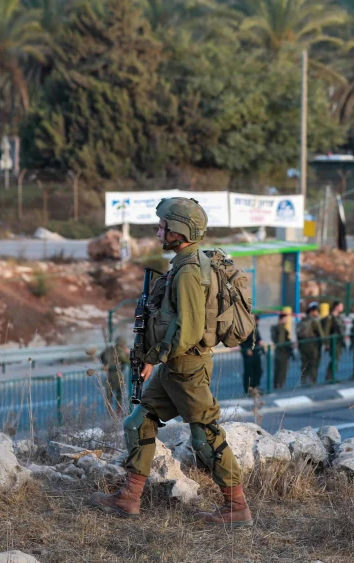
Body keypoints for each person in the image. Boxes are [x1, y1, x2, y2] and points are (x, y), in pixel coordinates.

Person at [91, 197, 252, 527]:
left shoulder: (190, 272)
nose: (158, 230)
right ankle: (129, 498)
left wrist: (155, 357)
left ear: (180, 231)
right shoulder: (184, 264)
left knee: (204, 437)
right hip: (174, 368)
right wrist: (158, 358)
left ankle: (236, 507)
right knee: (138, 423)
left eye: (164, 226)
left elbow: (189, 330)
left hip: (188, 368)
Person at [296, 303, 325, 385]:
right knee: (314, 364)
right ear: (312, 311)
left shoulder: (302, 320)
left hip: (303, 345)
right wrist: (326, 344)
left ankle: (303, 381)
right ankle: (313, 381)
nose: (317, 313)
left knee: (304, 364)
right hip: (313, 346)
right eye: (316, 311)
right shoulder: (315, 321)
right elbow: (321, 334)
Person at [100, 336, 130, 408]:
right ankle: (118, 412)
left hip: (109, 375)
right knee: (119, 394)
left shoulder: (109, 349)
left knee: (109, 394)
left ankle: (110, 411)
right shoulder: (120, 352)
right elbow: (127, 361)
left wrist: (105, 364)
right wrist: (128, 353)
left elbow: (101, 356)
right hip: (117, 375)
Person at [321, 301, 345, 383]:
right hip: (333, 342)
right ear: (336, 307)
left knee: (336, 360)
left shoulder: (339, 317)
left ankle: (332, 376)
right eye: (341, 305)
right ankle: (330, 377)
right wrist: (327, 344)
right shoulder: (330, 318)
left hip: (338, 342)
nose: (342, 307)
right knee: (334, 360)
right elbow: (326, 331)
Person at [239, 315, 264, 395]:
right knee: (249, 372)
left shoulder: (255, 329)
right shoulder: (245, 328)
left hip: (256, 352)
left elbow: (258, 338)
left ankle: (255, 387)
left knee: (258, 370)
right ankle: (248, 389)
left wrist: (260, 342)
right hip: (248, 354)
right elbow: (241, 340)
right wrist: (246, 349)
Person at [269, 312, 293, 390]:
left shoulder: (275, 328)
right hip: (283, 351)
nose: (286, 321)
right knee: (283, 369)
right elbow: (281, 341)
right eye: (285, 319)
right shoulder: (282, 328)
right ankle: (280, 384)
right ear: (282, 319)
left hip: (278, 351)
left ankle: (276, 384)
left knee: (277, 368)